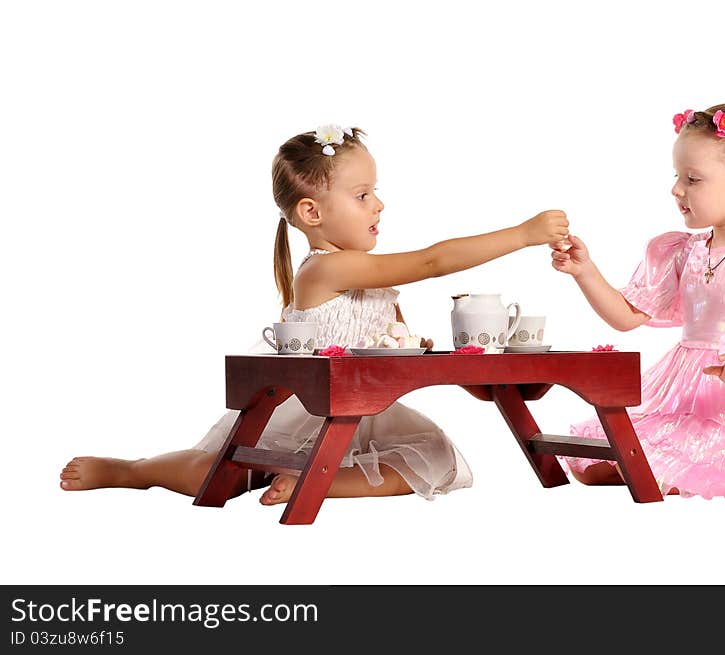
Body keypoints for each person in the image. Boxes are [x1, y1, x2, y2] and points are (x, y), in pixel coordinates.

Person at [61, 124, 569, 506]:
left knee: (435, 457)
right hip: (307, 402)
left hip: (366, 409)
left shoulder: (368, 277)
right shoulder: (326, 270)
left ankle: (319, 482)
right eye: (363, 195)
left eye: (375, 192)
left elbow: (386, 344)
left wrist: (423, 353)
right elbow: (432, 262)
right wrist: (521, 235)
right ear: (312, 213)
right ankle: (133, 470)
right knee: (224, 472)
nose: (380, 205)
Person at [550, 103, 725, 499]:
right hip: (679, 393)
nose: (676, 189)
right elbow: (627, 315)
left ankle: (685, 473)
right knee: (596, 465)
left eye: (693, 179)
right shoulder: (680, 252)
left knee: (660, 467)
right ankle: (668, 470)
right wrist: (585, 272)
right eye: (677, 176)